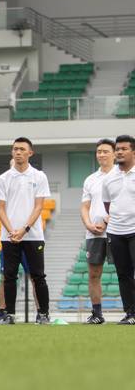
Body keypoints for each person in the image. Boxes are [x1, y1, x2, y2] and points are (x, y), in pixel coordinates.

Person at [0, 137, 51, 325]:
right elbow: (0, 208)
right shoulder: (3, 178)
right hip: (9, 237)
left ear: (30, 153)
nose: (18, 152)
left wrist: (24, 230)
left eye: (22, 149)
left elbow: (38, 207)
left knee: (38, 276)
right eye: (15, 149)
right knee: (9, 276)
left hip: (33, 236)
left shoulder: (39, 176)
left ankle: (43, 314)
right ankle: (9, 314)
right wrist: (12, 231)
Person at [80, 138, 116, 324]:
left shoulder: (122, 176)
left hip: (120, 232)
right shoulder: (90, 180)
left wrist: (112, 222)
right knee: (94, 275)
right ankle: (97, 314)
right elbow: (85, 207)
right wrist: (88, 225)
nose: (101, 154)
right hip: (94, 234)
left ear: (115, 154)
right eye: (99, 151)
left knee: (128, 272)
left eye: (105, 151)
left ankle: (131, 312)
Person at [102, 135, 135, 324]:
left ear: (133, 152)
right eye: (118, 149)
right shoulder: (109, 178)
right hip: (115, 232)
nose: (120, 152)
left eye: (124, 149)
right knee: (123, 274)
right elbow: (108, 205)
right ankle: (130, 313)